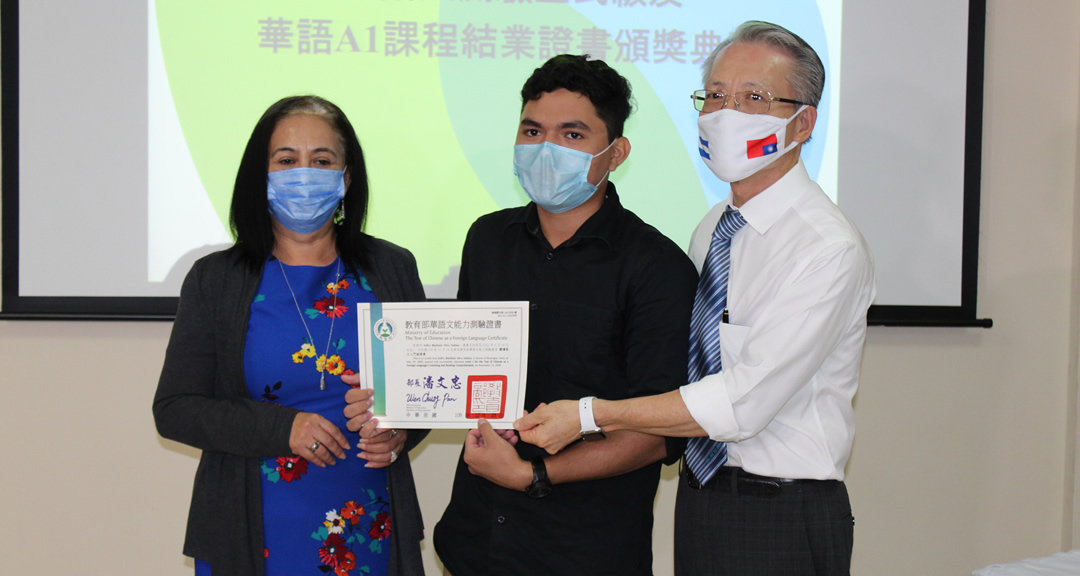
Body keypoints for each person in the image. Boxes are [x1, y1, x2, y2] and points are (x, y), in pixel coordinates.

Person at [515, 21, 876, 575]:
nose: (726, 113)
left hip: (780, 507)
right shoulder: (715, 227)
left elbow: (743, 402)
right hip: (704, 495)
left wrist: (589, 415)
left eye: (754, 98)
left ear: (802, 123)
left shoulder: (825, 246)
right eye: (715, 96)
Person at [428, 54, 696, 575]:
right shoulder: (487, 240)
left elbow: (659, 433)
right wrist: (394, 393)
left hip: (586, 550)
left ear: (615, 153)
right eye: (532, 130)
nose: (546, 149)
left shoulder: (656, 266)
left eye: (572, 135)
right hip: (477, 541)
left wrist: (534, 475)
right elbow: (466, 372)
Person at [153, 95, 428, 576]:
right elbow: (175, 409)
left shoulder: (391, 268)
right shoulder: (216, 279)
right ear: (261, 178)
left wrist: (401, 432)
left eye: (322, 160)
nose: (305, 173)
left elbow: (424, 390)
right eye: (287, 160)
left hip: (369, 522)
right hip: (252, 528)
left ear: (346, 180)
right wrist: (282, 429)